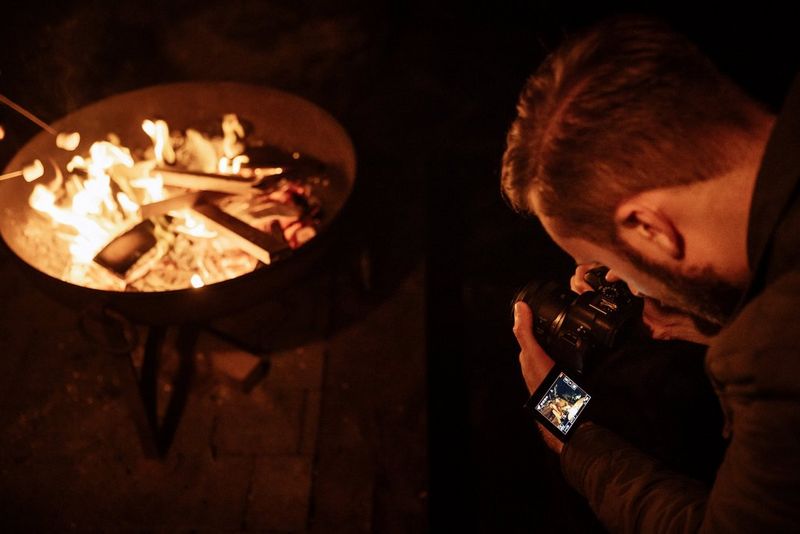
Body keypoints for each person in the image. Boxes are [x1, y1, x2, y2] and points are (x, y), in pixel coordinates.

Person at [501, 15, 800, 532]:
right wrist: (720, 321)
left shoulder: (773, 359)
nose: (628, 290)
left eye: (617, 266)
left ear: (648, 226)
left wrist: (564, 420)